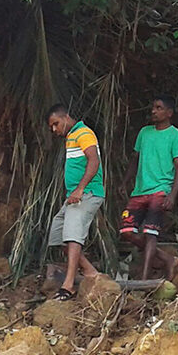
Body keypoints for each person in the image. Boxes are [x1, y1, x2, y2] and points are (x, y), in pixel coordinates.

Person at [119, 95, 178, 280]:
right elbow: (135, 159)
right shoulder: (144, 132)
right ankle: (166, 258)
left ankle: (144, 277)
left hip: (160, 190)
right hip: (140, 191)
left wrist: (172, 194)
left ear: (169, 113)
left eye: (159, 108)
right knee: (127, 231)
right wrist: (125, 182)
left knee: (150, 233)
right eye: (153, 108)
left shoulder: (176, 136)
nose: (153, 111)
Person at [46, 104, 105, 301]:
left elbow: (94, 161)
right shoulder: (70, 138)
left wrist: (80, 189)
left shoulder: (83, 133)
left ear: (66, 117)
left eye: (56, 124)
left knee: (72, 236)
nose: (54, 130)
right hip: (74, 196)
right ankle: (90, 272)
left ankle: (69, 285)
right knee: (58, 234)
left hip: (87, 192)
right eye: (51, 127)